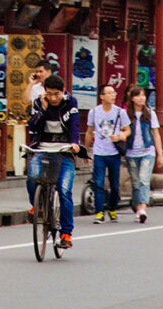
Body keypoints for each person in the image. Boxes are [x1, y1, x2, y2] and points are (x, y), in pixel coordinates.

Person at [25, 76, 82, 252]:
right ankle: (39, 206)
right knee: (31, 179)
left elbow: (74, 125)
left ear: (63, 91)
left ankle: (66, 234)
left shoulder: (71, 103)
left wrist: (75, 143)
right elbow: (33, 128)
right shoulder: (39, 103)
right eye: (49, 94)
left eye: (56, 94)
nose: (53, 98)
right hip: (42, 150)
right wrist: (42, 110)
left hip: (64, 152)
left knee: (64, 191)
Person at [88, 82, 130, 222]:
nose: (113, 95)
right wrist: (86, 151)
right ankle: (99, 212)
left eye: (114, 92)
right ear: (101, 96)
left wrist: (120, 136)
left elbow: (128, 130)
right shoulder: (94, 112)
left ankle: (112, 208)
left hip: (114, 153)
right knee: (98, 183)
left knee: (115, 185)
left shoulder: (120, 112)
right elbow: (89, 132)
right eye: (110, 93)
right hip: (99, 153)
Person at [124, 83, 163, 223]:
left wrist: (161, 154)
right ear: (132, 98)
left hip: (147, 151)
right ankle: (137, 207)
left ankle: (142, 208)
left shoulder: (150, 113)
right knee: (135, 183)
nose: (141, 98)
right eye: (138, 95)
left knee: (143, 180)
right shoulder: (126, 114)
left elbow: (156, 134)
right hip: (131, 152)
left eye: (143, 95)